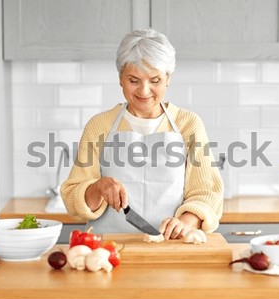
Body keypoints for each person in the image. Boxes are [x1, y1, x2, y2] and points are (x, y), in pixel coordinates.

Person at [61, 28, 223, 240]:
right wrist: (97, 187)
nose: (144, 91)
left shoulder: (188, 124)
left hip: (170, 248)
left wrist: (185, 222)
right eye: (134, 80)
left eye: (154, 81)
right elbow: (73, 198)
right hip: (108, 251)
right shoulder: (99, 126)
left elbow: (207, 193)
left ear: (168, 78)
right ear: (120, 78)